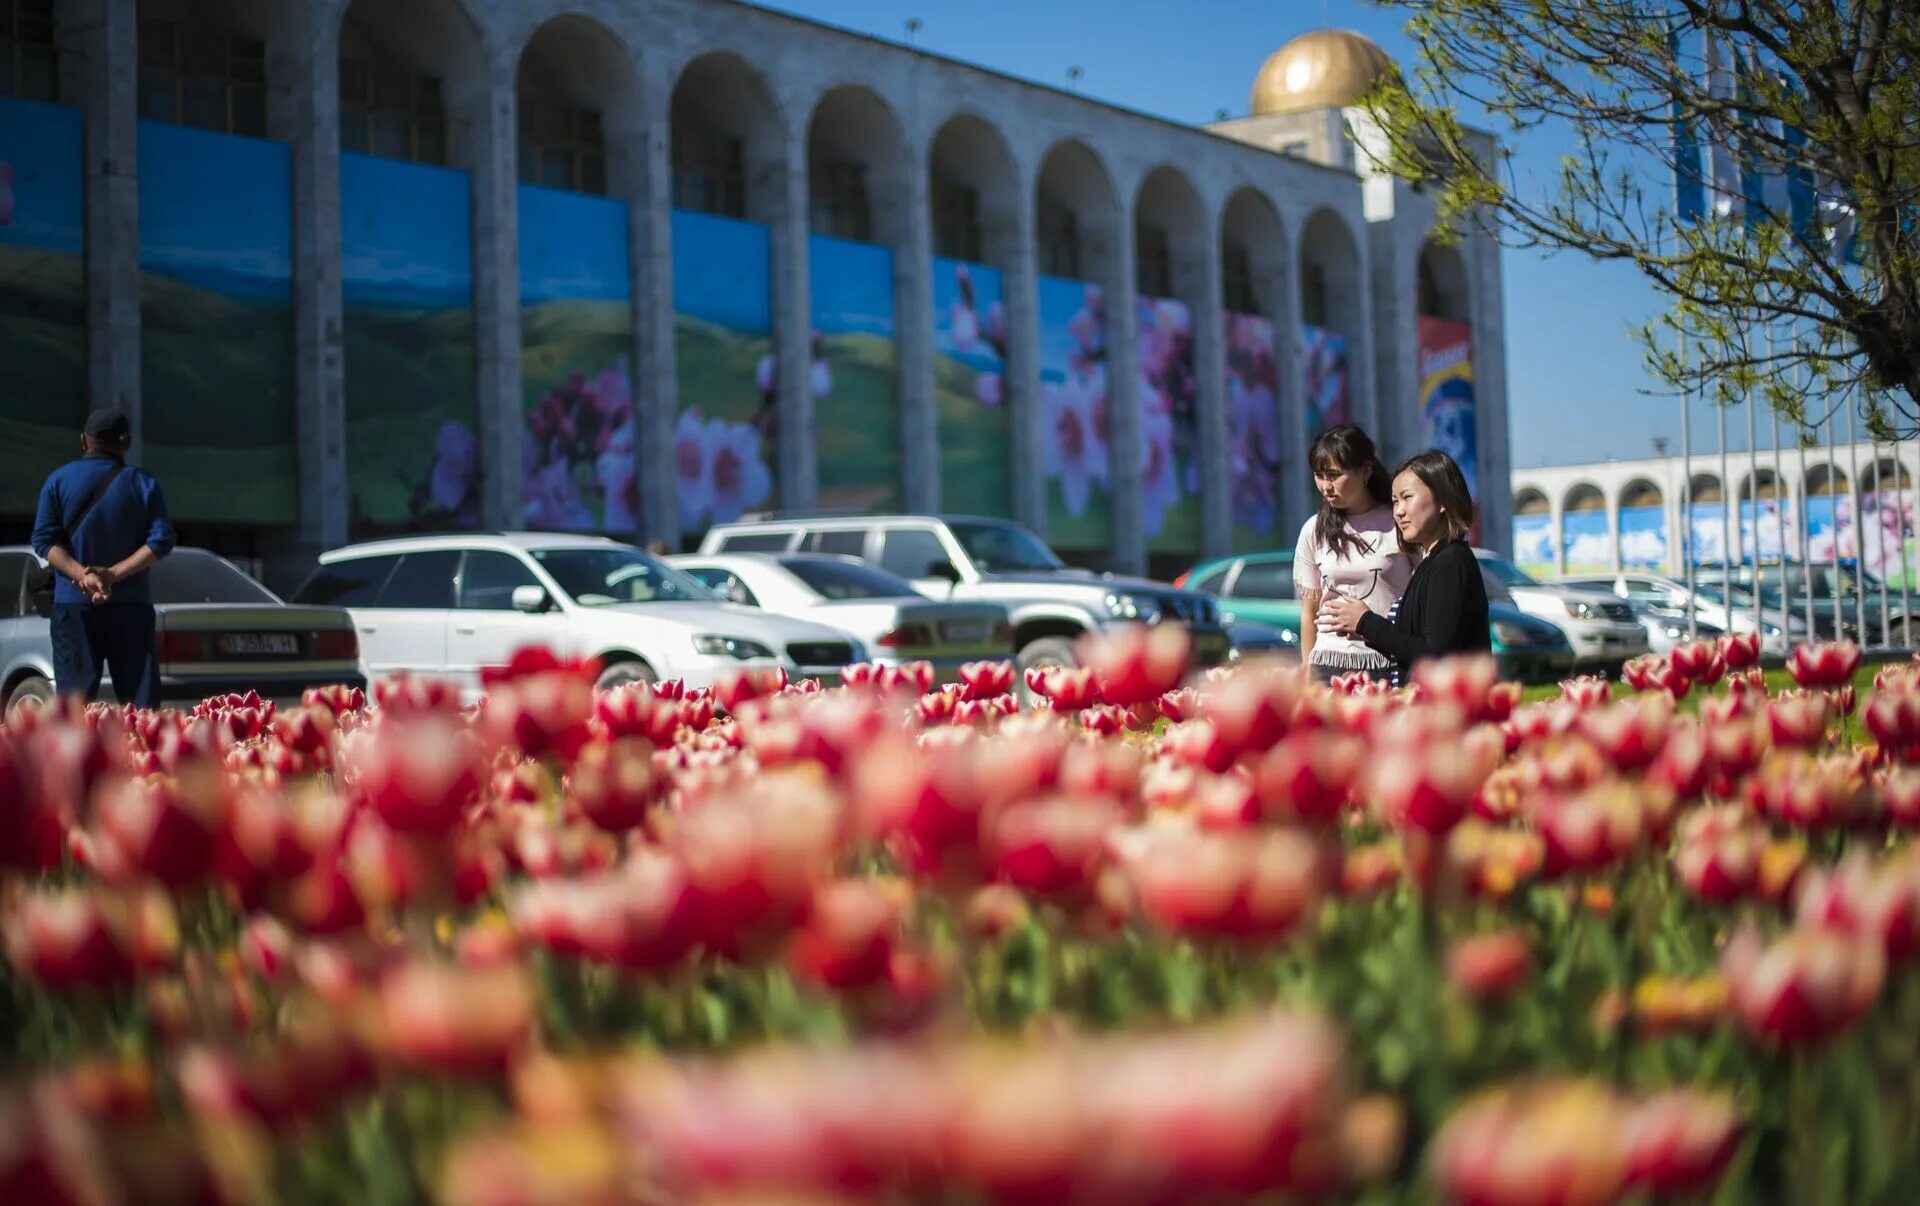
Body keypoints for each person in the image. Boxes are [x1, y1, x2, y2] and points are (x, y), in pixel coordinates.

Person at [30, 409, 177, 708]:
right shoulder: (144, 484)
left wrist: (82, 575)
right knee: (141, 707)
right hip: (132, 608)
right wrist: (113, 575)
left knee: (74, 709)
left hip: (74, 607)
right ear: (127, 443)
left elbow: (44, 541)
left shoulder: (58, 481)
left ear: (84, 440)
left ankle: (78, 757)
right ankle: (140, 756)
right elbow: (161, 540)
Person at [1319, 449, 1489, 685]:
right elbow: (1416, 643)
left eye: (1407, 497)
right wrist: (1365, 627)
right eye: (1395, 501)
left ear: (1442, 499)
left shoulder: (1450, 562)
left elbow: (1434, 655)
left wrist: (1366, 622)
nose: (1398, 511)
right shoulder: (1433, 560)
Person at [1293, 424, 1413, 683]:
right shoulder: (1314, 530)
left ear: (1366, 471)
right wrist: (1307, 671)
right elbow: (1309, 611)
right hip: (1326, 665)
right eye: (1318, 475)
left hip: (1386, 663)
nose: (1325, 486)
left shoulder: (1399, 522)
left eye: (1334, 475)